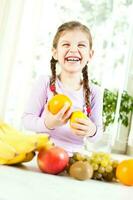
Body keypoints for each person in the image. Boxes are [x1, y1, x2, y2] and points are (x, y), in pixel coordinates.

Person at [22, 21, 103, 155]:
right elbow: (27, 120)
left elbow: (98, 134)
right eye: (66, 44)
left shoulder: (94, 92)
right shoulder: (45, 83)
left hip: (75, 159)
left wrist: (92, 130)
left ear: (90, 54)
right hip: (44, 153)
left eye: (81, 45)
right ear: (55, 52)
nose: (73, 50)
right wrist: (48, 124)